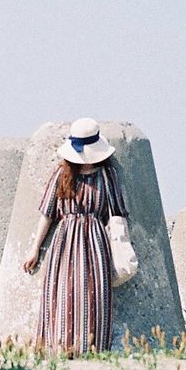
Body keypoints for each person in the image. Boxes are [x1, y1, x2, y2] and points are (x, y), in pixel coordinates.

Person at [22, 117, 129, 354]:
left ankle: (91, 348)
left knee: (94, 294)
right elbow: (47, 214)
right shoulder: (62, 174)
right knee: (62, 293)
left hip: (95, 243)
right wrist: (35, 249)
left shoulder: (108, 176)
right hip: (64, 243)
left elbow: (118, 213)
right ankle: (59, 348)